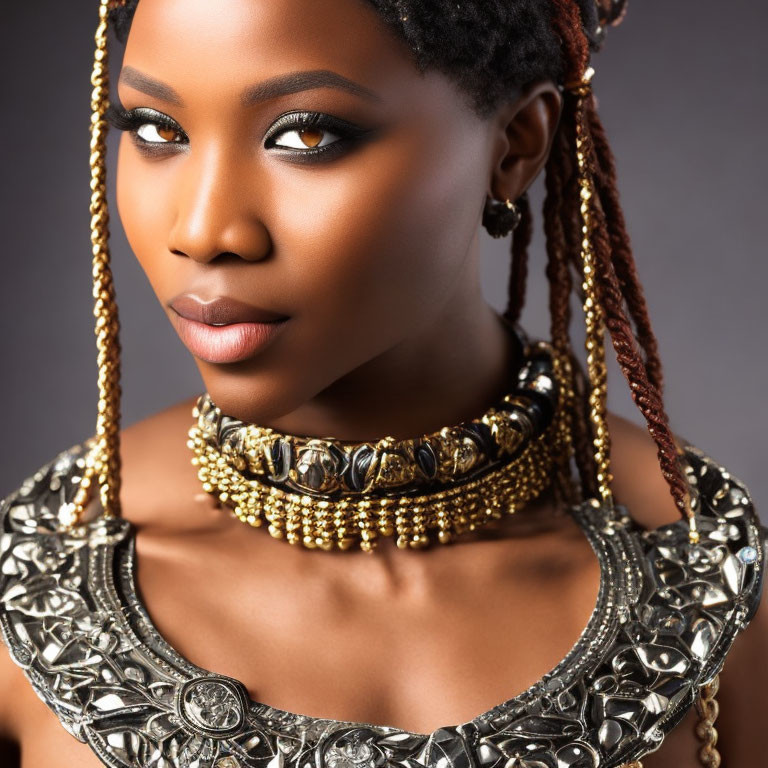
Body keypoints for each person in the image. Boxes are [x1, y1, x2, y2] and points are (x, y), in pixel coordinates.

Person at [0, 0, 765, 766]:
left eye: (305, 135)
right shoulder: (32, 583)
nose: (202, 230)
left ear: (514, 147)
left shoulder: (711, 582)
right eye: (157, 130)